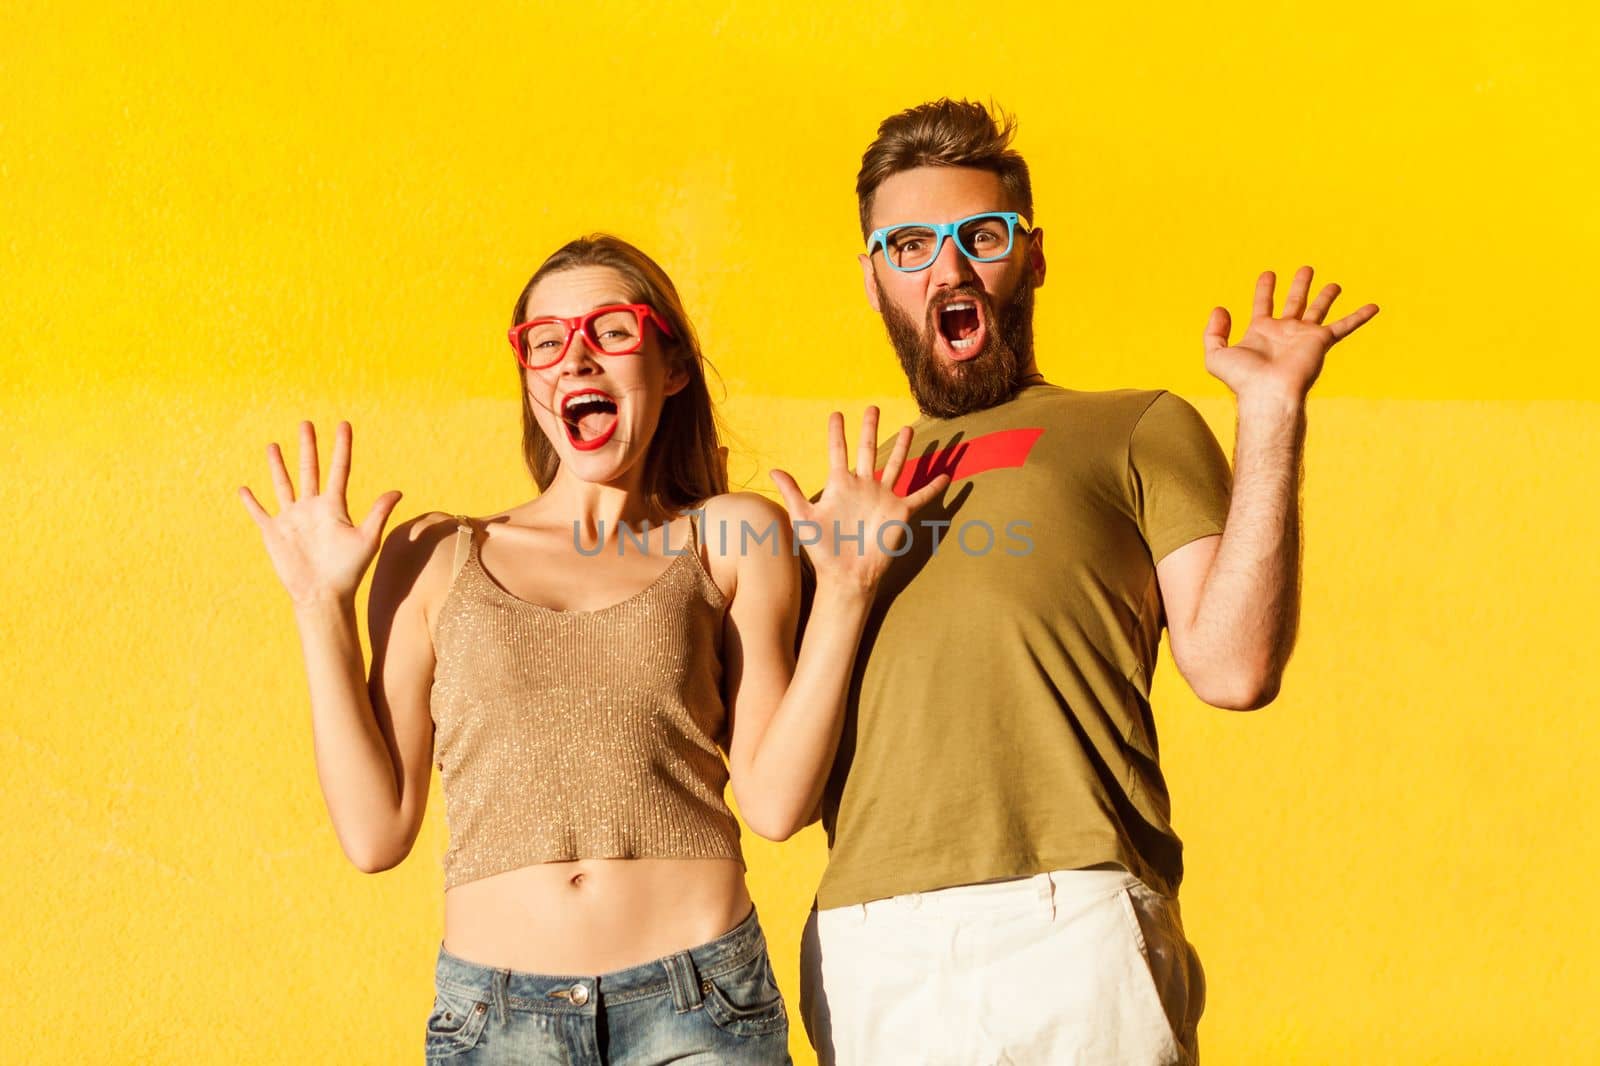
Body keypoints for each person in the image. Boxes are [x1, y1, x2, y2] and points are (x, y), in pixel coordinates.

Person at [237, 234, 946, 1064]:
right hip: (495, 1021)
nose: (575, 359)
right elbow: (373, 834)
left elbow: (777, 803)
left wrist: (851, 589)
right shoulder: (432, 553)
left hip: (701, 1002)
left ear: (671, 366)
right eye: (546, 343)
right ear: (531, 379)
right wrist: (319, 606)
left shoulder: (729, 534)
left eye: (611, 330)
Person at [795, 100, 1381, 1065]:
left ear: (1031, 256)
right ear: (872, 278)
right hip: (868, 937)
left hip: (1070, 917)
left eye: (977, 236)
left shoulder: (1134, 425)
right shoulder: (843, 493)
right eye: (907, 246)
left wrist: (1272, 413)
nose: (946, 270)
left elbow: (1235, 669)